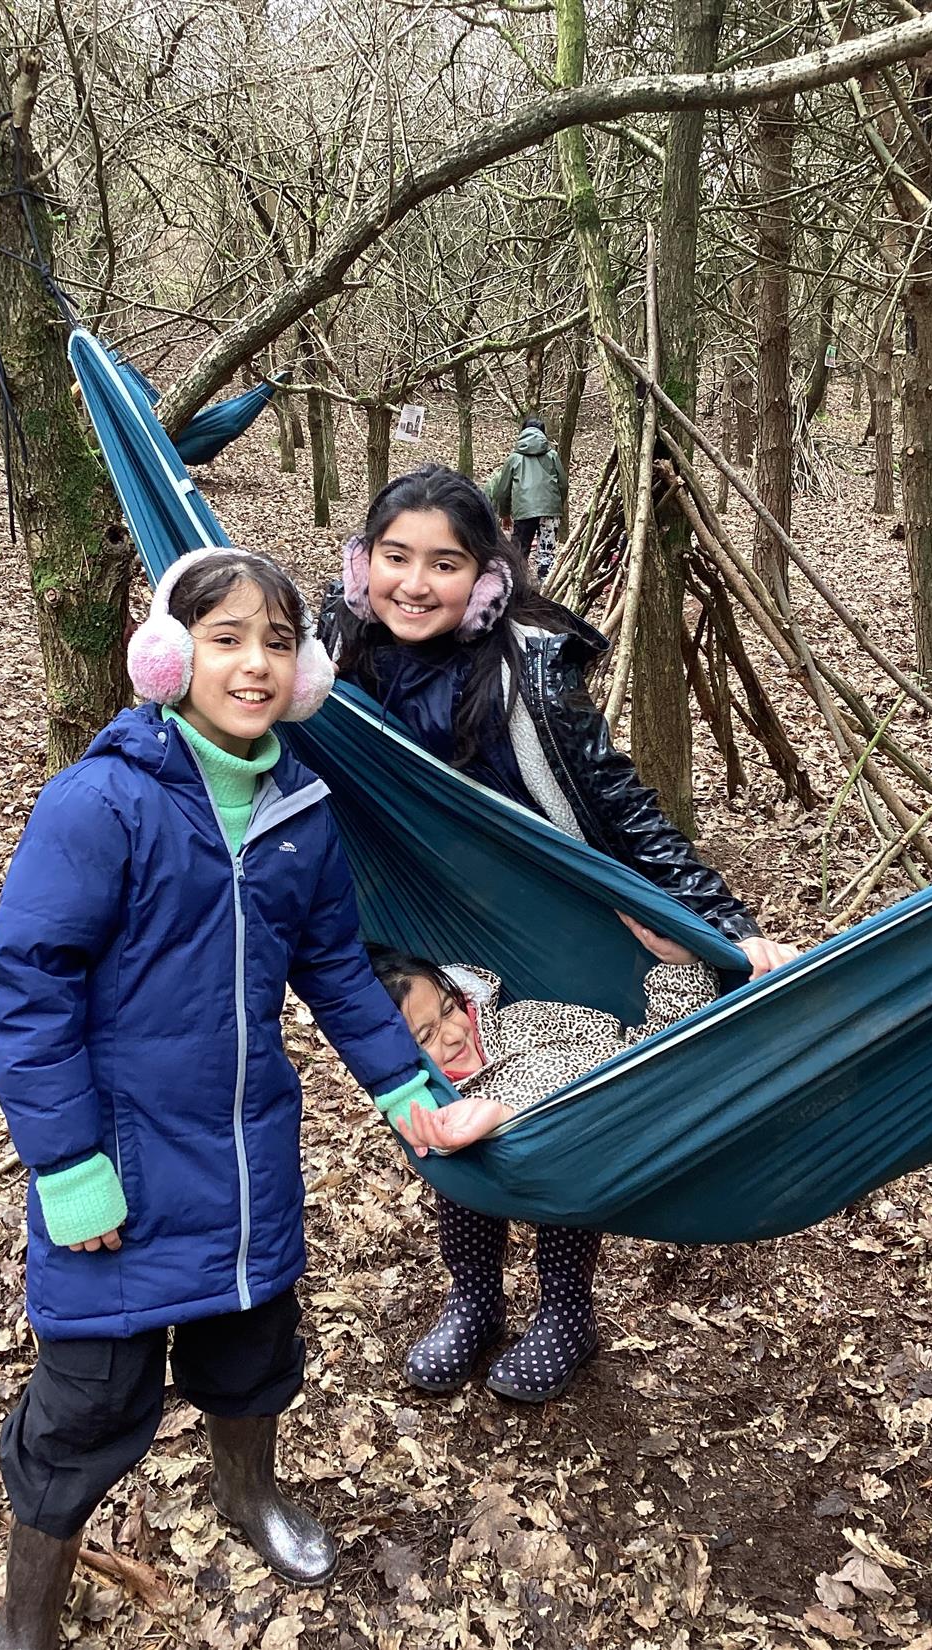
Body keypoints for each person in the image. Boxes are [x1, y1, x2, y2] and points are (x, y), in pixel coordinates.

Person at [0, 548, 436, 1645]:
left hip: (245, 1158)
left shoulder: (302, 813)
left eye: (279, 642)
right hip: (118, 1170)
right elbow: (26, 989)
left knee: (252, 1352)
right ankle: (25, 1611)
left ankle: (247, 1494)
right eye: (226, 638)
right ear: (168, 656)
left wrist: (409, 1087)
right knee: (88, 1405)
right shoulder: (101, 802)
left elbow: (332, 972)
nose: (255, 663)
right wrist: (67, 1168)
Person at [320, 464, 798, 1404]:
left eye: (444, 563)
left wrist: (727, 925)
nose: (414, 584)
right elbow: (232, 662)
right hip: (419, 932)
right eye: (394, 557)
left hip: (548, 927)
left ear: (485, 576)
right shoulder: (326, 661)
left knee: (559, 1112)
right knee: (445, 1108)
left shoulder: (528, 666)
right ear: (361, 563)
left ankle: (566, 1309)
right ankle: (472, 1299)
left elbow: (625, 809)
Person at [370, 946, 718, 1152]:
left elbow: (645, 1051)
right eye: (426, 1036)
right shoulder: (445, 1105)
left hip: (647, 1124)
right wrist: (504, 1118)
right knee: (468, 1237)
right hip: (556, 1170)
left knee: (567, 1257)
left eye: (449, 1009)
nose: (452, 1035)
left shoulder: (525, 1019)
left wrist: (681, 967)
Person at [491, 415, 567, 583]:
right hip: (550, 510)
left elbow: (502, 490)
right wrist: (556, 506)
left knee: (519, 550)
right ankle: (545, 586)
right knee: (546, 551)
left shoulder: (514, 458)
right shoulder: (552, 455)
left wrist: (504, 514)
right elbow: (563, 484)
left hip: (524, 511)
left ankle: (517, 584)